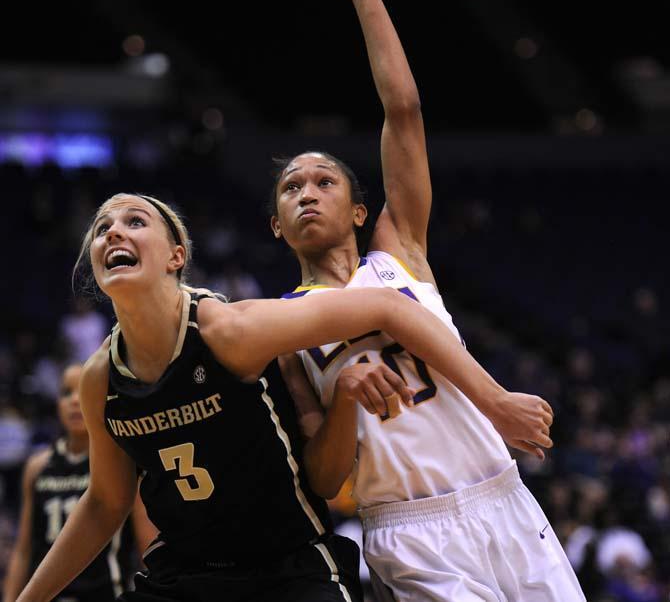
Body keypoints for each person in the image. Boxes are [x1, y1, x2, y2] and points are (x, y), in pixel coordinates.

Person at [15, 193, 535, 602]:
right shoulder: (99, 376)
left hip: (287, 567)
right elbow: (106, 502)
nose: (113, 232)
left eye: (133, 220)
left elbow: (386, 307)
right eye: (102, 227)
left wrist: (495, 401)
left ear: (177, 256)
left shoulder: (230, 330)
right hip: (185, 574)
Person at [270, 0, 586, 601]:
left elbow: (404, 112)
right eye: (291, 188)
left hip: (502, 500)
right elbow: (325, 483)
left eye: (323, 181)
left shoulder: (399, 253)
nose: (306, 193)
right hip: (405, 530)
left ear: (361, 210)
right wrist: (346, 405)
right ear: (276, 224)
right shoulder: (284, 327)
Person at [3, 363, 157, 602]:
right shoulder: (37, 467)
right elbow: (23, 551)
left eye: (81, 390)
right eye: (66, 393)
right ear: (57, 405)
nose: (75, 400)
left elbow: (148, 546)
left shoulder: (123, 462)